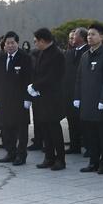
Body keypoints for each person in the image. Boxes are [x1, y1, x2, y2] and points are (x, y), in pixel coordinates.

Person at [75, 24, 103, 174]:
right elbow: (79, 78)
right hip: (87, 102)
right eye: (88, 35)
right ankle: (92, 162)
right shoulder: (85, 55)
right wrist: (77, 97)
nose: (90, 37)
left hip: (100, 104)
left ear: (101, 37)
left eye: (93, 34)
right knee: (90, 135)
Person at [0, 31, 33, 165]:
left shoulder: (25, 58)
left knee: (21, 129)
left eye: (12, 43)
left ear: (17, 43)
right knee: (7, 128)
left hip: (20, 100)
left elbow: (29, 79)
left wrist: (28, 98)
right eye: (7, 43)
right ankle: (10, 152)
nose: (9, 45)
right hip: (4, 99)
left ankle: (21, 155)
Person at [28, 28, 66, 170]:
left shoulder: (57, 55)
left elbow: (53, 77)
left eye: (36, 41)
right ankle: (49, 157)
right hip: (41, 97)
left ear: (43, 40)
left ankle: (60, 159)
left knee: (54, 129)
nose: (35, 44)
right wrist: (33, 86)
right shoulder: (42, 53)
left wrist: (36, 86)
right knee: (45, 128)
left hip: (53, 98)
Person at [63, 28, 88, 155]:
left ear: (82, 38)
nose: (72, 39)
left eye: (74, 36)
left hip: (83, 93)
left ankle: (89, 147)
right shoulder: (69, 53)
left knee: (85, 122)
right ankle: (75, 145)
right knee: (71, 120)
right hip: (69, 92)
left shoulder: (88, 52)